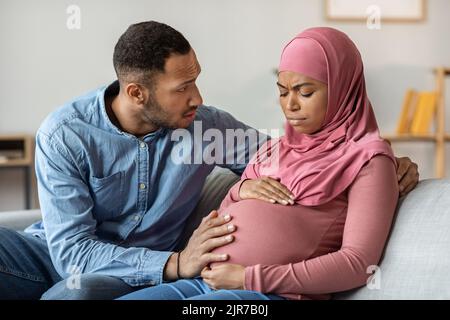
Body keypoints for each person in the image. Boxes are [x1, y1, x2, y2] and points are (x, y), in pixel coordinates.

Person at [0, 22, 418, 300]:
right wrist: (176, 263)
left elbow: (301, 159)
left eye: (196, 80)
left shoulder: (207, 127)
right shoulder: (65, 134)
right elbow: (71, 253)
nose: (198, 98)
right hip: (64, 256)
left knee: (74, 294)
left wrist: (385, 160)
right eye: (183, 87)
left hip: (128, 280)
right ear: (136, 94)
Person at [119, 27, 401, 300]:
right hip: (202, 282)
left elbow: (358, 263)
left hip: (267, 293)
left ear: (342, 89)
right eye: (282, 91)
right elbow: (230, 207)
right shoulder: (276, 149)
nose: (290, 105)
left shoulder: (369, 160)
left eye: (304, 92)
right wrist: (239, 191)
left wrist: (249, 278)